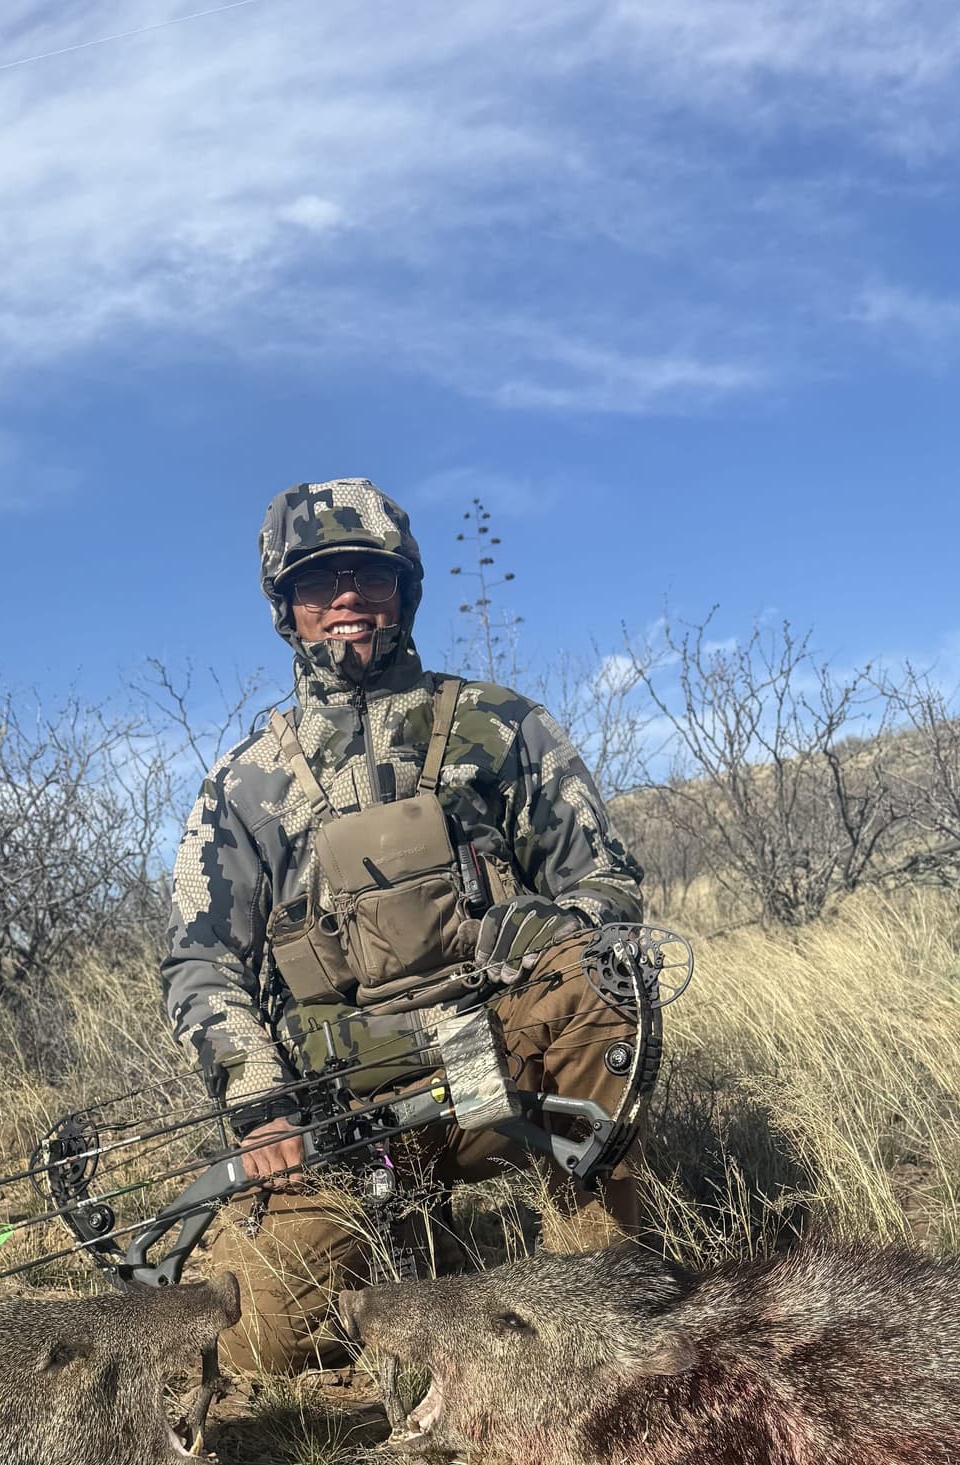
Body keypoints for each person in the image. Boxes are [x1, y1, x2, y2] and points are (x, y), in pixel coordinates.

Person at [161, 477, 651, 1373]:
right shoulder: (243, 783)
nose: (347, 595)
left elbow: (608, 886)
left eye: (370, 574)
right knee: (255, 1344)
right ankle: (421, 1255)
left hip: (496, 1066)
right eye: (318, 580)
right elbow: (200, 966)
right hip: (347, 1111)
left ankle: (597, 1294)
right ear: (286, 607)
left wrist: (552, 928)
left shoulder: (503, 728)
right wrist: (261, 1104)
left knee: (600, 979)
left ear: (406, 589)